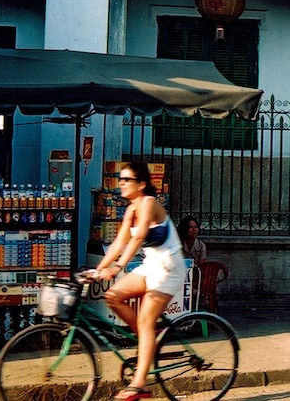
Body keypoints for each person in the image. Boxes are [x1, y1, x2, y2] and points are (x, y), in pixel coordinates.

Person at [95, 163, 186, 401]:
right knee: (112, 296)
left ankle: (140, 384)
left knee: (145, 322)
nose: (121, 182)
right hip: (151, 266)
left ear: (142, 184)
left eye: (127, 179)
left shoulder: (149, 204)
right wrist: (98, 269)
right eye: (120, 178)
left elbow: (138, 238)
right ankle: (149, 340)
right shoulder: (130, 209)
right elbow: (119, 243)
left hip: (169, 267)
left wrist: (118, 267)